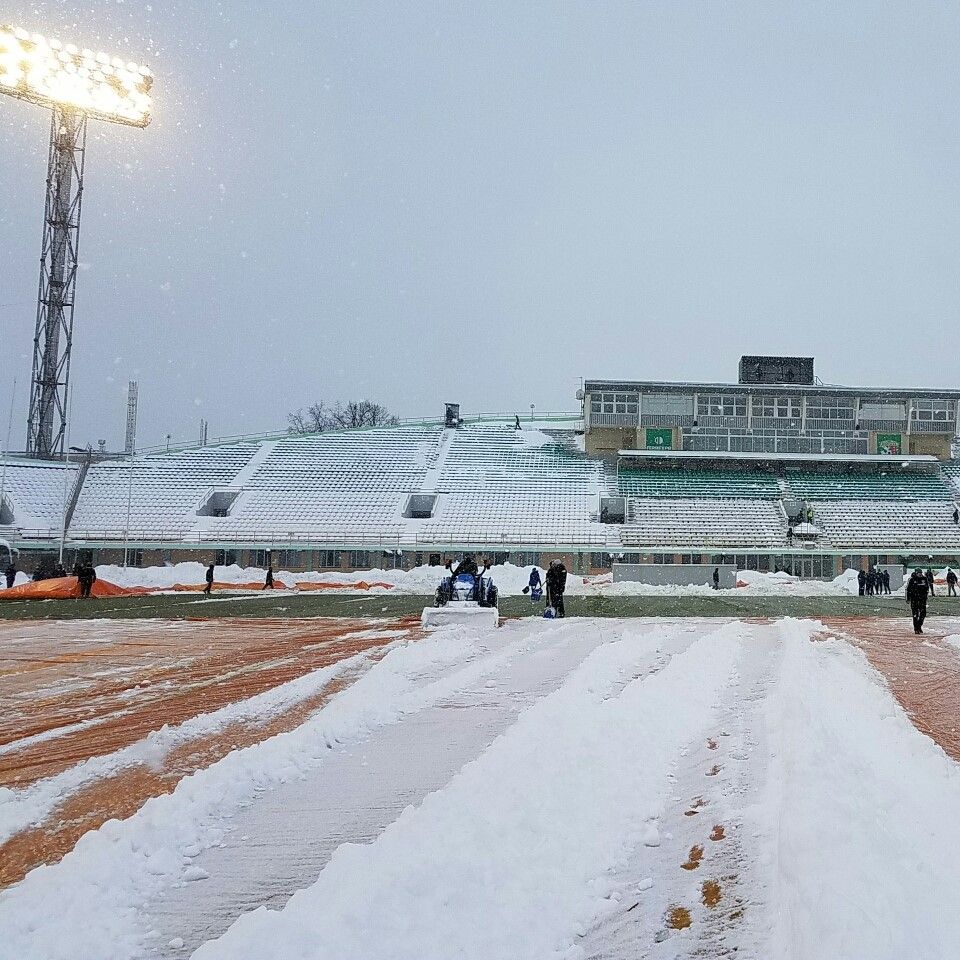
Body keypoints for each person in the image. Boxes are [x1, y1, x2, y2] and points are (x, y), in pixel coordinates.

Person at [906, 568, 929, 634]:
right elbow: (908, 589)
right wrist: (908, 598)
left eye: (921, 573)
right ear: (916, 573)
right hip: (914, 599)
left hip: (922, 599)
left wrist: (925, 595)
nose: (920, 574)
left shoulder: (924, 579)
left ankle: (919, 626)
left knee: (923, 614)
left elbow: (927, 588)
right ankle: (916, 628)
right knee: (915, 615)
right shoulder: (912, 579)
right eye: (919, 573)